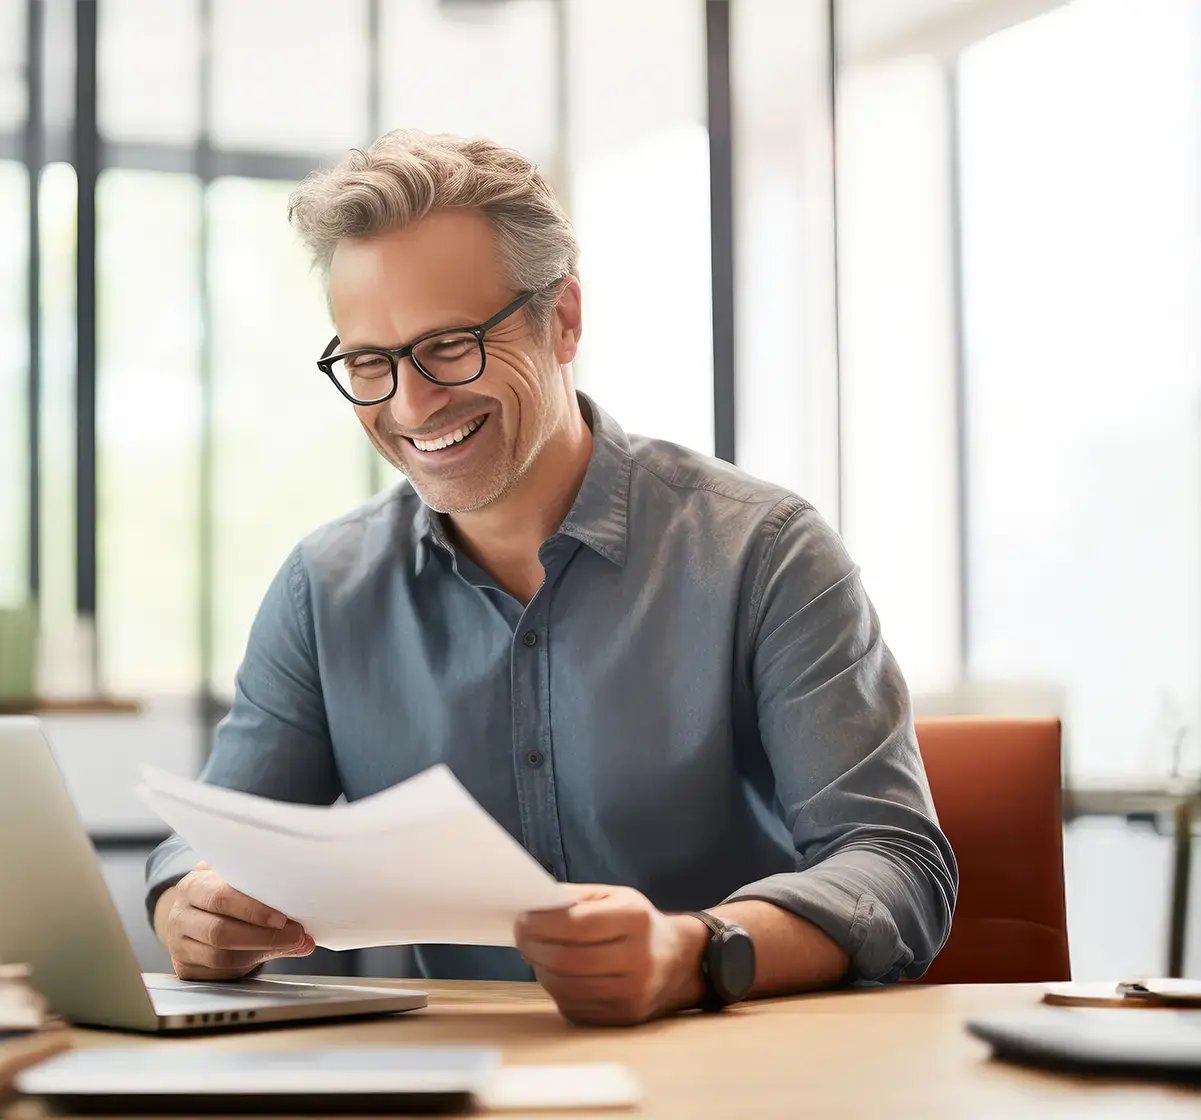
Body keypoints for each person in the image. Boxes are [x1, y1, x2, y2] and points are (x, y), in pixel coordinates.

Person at [144, 131, 956, 1026]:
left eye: (450, 346)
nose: (412, 407)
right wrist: (190, 899)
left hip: (727, 1070)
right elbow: (209, 837)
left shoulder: (764, 553)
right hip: (454, 1078)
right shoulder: (323, 589)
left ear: (562, 319)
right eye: (371, 363)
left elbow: (894, 864)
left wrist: (697, 951)